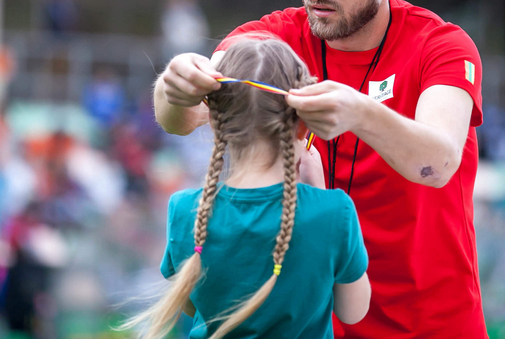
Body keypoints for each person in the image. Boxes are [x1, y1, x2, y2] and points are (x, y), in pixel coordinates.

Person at [154, 0, 487, 338]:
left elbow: (438, 163)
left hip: (430, 324)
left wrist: (362, 113)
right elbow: (183, 118)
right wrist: (174, 88)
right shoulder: (271, 39)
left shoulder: (442, 45)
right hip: (312, 326)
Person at [128, 39, 371, 339]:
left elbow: (193, 304)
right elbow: (353, 310)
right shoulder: (334, 212)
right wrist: (318, 190)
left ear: (216, 124)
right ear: (303, 125)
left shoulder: (183, 210)